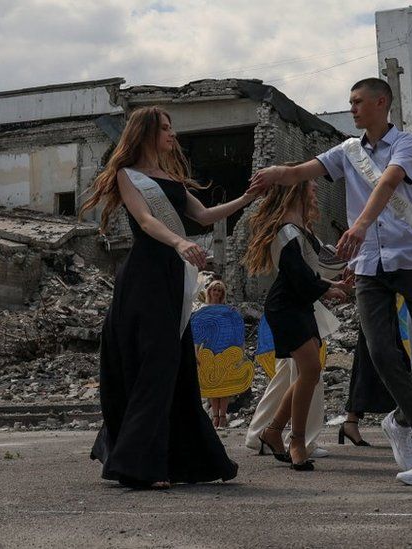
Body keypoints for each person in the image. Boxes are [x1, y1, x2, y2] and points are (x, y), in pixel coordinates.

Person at [249, 78, 412, 485]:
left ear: (382, 103)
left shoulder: (406, 144)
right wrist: (278, 172)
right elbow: (303, 170)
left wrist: (361, 223)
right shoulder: (347, 150)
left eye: (359, 102)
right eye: (350, 103)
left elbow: (388, 182)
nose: (353, 109)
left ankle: (399, 419)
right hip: (369, 267)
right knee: (382, 354)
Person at [83, 106, 251, 488]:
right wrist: (180, 241)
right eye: (165, 128)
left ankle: (177, 460)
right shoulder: (129, 176)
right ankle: (139, 465)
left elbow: (206, 216)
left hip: (173, 276)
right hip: (145, 276)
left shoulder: (170, 178)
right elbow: (146, 221)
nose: (172, 135)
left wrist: (247, 198)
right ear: (144, 133)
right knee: (156, 363)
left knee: (176, 367)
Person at [243, 178, 348, 471]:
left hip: (300, 304)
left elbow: (306, 273)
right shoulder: (288, 229)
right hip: (287, 306)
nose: (315, 191)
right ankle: (296, 441)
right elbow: (296, 275)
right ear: (297, 190)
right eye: (311, 187)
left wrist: (331, 283)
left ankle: (274, 431)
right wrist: (328, 288)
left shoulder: (296, 226)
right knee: (310, 370)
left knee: (309, 373)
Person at [203, 280, 233, 428]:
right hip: (208, 350)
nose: (216, 293)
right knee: (212, 385)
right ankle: (215, 416)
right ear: (210, 292)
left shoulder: (227, 311)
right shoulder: (203, 310)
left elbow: (232, 330)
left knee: (224, 384)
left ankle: (223, 417)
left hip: (224, 348)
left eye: (219, 291)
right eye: (214, 290)